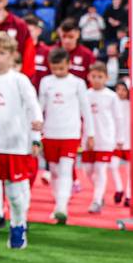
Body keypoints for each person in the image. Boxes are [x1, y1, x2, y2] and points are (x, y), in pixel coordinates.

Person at [0, 33, 41, 256]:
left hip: (15, 146)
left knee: (14, 195)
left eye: (2, 53)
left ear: (13, 56)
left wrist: (36, 134)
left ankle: (18, 225)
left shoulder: (19, 80)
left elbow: (33, 105)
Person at [39, 47, 94, 225]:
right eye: (55, 69)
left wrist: (90, 134)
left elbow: (86, 110)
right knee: (54, 171)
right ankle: (58, 203)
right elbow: (40, 108)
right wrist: (36, 132)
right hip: (50, 133)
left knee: (65, 170)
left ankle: (62, 207)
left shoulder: (78, 83)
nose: (58, 72)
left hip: (70, 133)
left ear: (69, 64)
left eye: (62, 68)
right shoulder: (46, 82)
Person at [85, 62, 124, 215]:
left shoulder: (111, 96)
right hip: (88, 140)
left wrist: (119, 139)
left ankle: (96, 200)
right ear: (89, 77)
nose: (96, 80)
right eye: (93, 76)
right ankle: (99, 193)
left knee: (101, 170)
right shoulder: (85, 95)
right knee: (88, 170)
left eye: (100, 77)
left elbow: (118, 118)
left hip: (106, 140)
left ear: (107, 78)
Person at [114, 79, 132, 207]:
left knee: (130, 170)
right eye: (118, 89)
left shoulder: (132, 104)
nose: (120, 92)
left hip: (130, 141)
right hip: (115, 141)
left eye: (123, 89)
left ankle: (129, 195)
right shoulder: (112, 102)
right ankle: (119, 188)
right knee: (112, 166)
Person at [23, 15, 49, 88]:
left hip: (42, 93)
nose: (26, 33)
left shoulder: (47, 52)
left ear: (39, 31)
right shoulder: (18, 51)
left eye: (29, 31)